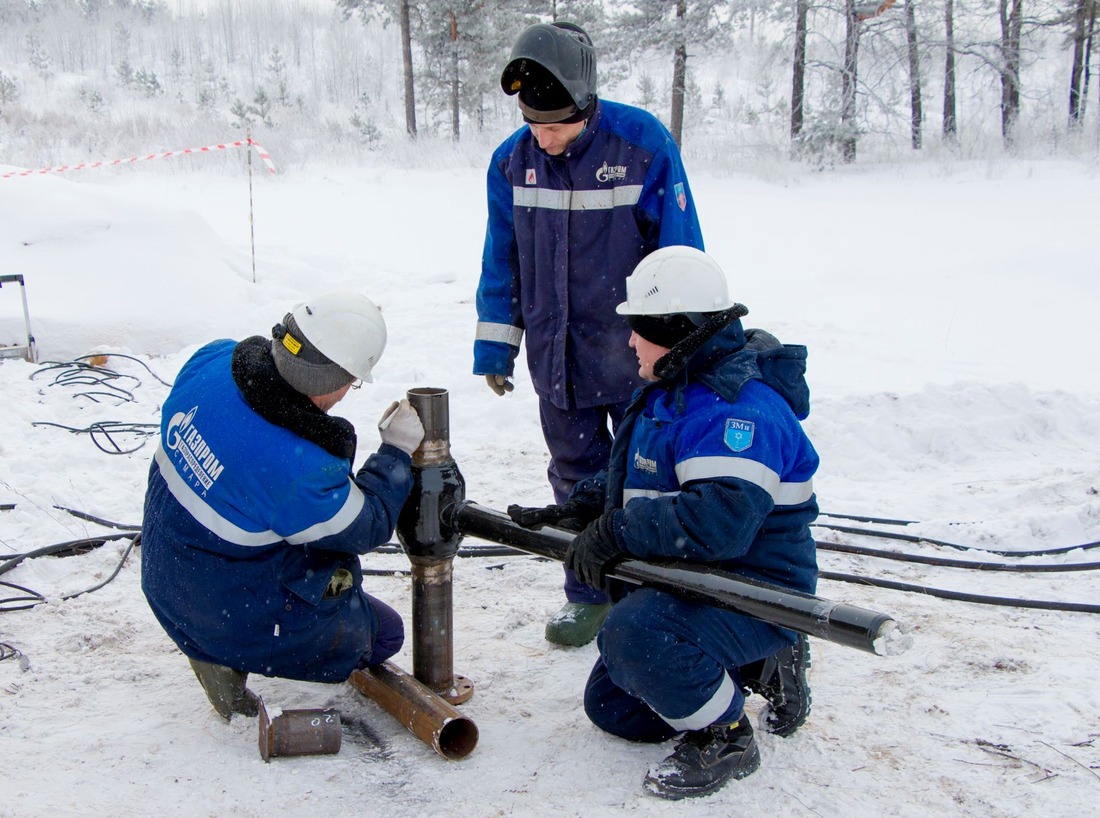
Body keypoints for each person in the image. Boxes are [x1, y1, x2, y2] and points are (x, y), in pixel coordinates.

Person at [509, 246, 818, 799]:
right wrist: (583, 507)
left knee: (636, 637)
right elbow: (642, 472)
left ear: (679, 330)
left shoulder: (736, 411)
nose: (630, 340)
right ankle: (751, 667)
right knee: (614, 708)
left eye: (641, 327)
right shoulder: (675, 388)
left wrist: (616, 532)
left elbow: (716, 523)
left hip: (755, 587)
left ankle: (727, 734)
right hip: (695, 579)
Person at [475, 21, 705, 647]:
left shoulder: (643, 145)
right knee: (575, 479)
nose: (544, 139)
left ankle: (659, 591)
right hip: (559, 358)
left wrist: (684, 347)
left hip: (639, 357)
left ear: (588, 105)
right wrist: (497, 344)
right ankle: (589, 592)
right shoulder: (511, 162)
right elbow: (503, 260)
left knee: (650, 478)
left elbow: (680, 254)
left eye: (557, 126)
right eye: (534, 126)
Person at [140, 292, 426, 721]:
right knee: (380, 633)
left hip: (165, 574)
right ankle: (219, 651)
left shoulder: (213, 360)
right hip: (218, 604)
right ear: (339, 380)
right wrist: (395, 453)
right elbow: (366, 525)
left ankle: (209, 634)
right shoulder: (299, 468)